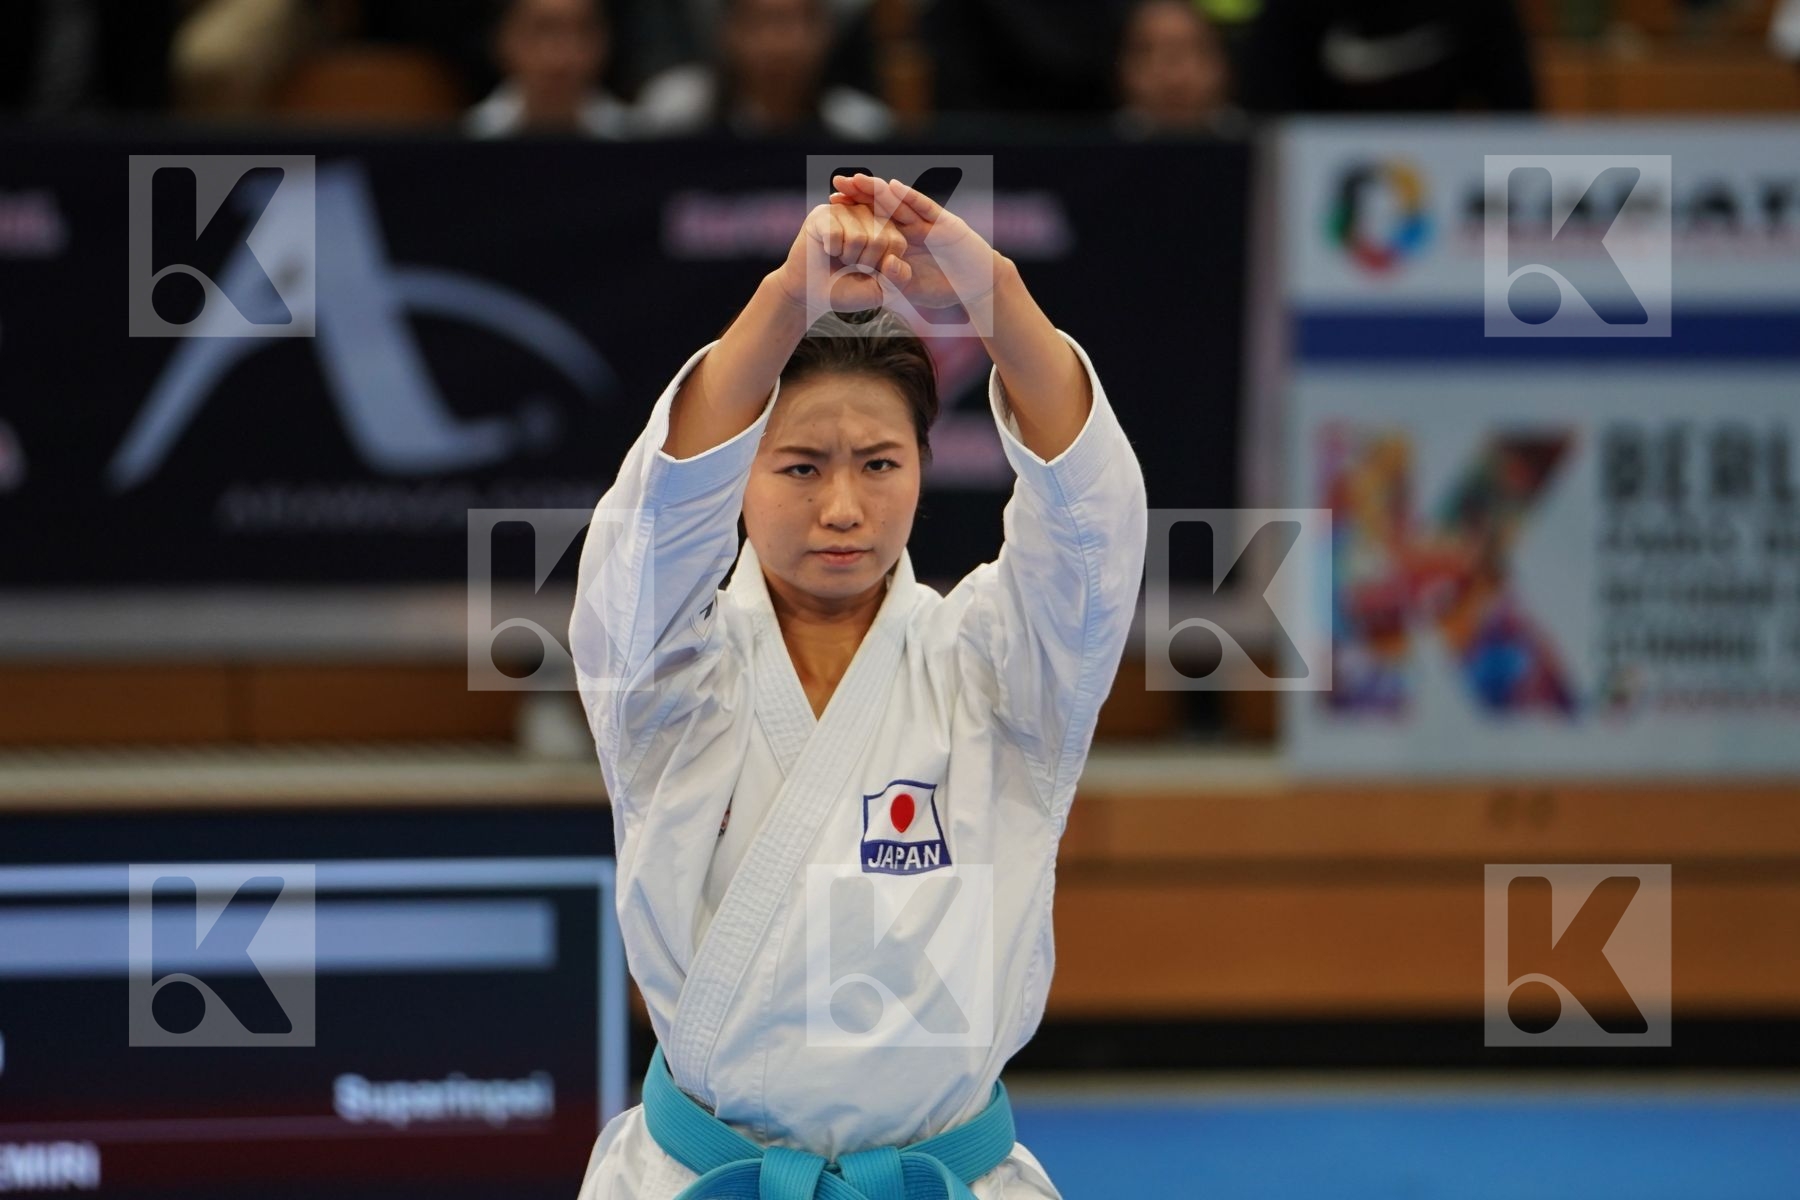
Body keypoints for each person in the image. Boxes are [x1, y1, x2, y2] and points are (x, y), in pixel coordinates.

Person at [568, 174, 1148, 1198]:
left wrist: (995, 293)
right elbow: (649, 524)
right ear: (742, 473)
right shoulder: (666, 672)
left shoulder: (997, 666)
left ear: (924, 467)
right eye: (800, 467)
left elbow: (1090, 522)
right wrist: (787, 296)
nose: (843, 507)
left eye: (879, 465)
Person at [631, 0, 892, 139]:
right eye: (759, 21)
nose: (778, 44)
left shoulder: (861, 129)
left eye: (793, 22)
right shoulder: (674, 115)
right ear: (727, 31)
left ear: (825, 33)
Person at [466, 0, 631, 138]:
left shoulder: (635, 136)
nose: (560, 57)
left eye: (582, 30)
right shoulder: (467, 137)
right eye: (542, 29)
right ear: (502, 39)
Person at [1114, 0, 1245, 138]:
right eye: (1147, 52)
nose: (1174, 79)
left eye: (1196, 50)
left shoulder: (1259, 147)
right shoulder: (1097, 149)